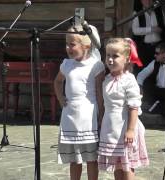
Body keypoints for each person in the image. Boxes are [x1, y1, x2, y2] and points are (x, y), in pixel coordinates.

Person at [54, 24, 105, 180]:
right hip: (70, 118)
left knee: (91, 159)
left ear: (86, 45)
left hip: (88, 118)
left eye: (72, 44)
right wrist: (61, 99)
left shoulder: (96, 66)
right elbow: (57, 82)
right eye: (67, 44)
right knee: (74, 159)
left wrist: (101, 114)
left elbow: (99, 92)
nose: (68, 48)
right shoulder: (67, 64)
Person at [98, 38, 149, 180]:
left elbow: (133, 106)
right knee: (117, 165)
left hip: (125, 126)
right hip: (111, 127)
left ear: (126, 59)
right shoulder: (106, 79)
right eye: (108, 55)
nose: (110, 59)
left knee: (127, 166)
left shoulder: (129, 79)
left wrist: (131, 130)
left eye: (115, 56)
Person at [132, 0, 165, 69]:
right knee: (144, 69)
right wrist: (152, 29)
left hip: (159, 47)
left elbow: (164, 26)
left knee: (159, 69)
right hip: (145, 48)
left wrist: (162, 30)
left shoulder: (159, 12)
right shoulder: (137, 13)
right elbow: (135, 30)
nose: (148, 1)